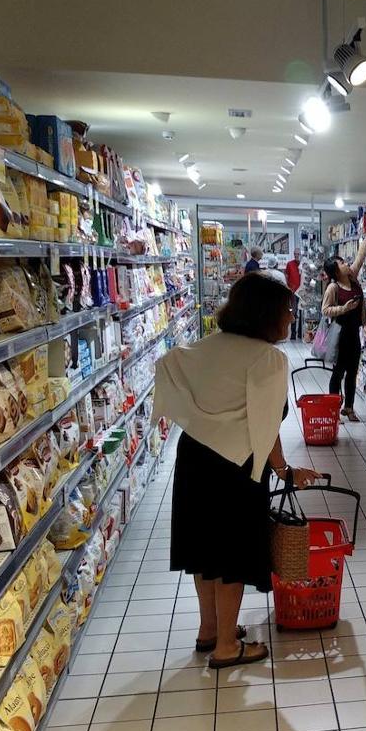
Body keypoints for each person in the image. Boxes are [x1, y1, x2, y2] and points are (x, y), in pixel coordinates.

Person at [153, 271, 321, 668]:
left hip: (194, 458)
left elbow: (167, 367)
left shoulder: (202, 347)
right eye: (287, 310)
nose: (290, 317)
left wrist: (198, 418)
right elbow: (266, 425)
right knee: (231, 556)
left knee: (203, 548)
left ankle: (209, 629)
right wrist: (283, 470)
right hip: (237, 467)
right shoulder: (268, 359)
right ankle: (227, 646)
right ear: (266, 314)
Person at [321, 235, 366, 420]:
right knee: (338, 372)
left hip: (354, 333)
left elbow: (361, 255)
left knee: (352, 372)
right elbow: (325, 310)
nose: (346, 264)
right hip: (340, 334)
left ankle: (349, 408)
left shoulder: (353, 277)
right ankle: (333, 409)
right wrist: (344, 308)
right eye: (341, 263)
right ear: (336, 270)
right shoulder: (333, 288)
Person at [284, 250, 302, 340]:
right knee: (293, 312)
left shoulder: (304, 265)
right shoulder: (290, 264)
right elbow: (286, 276)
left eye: (298, 254)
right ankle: (293, 334)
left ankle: (300, 333)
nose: (296, 255)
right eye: (295, 254)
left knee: (301, 312)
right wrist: (289, 287)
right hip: (293, 292)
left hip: (302, 292)